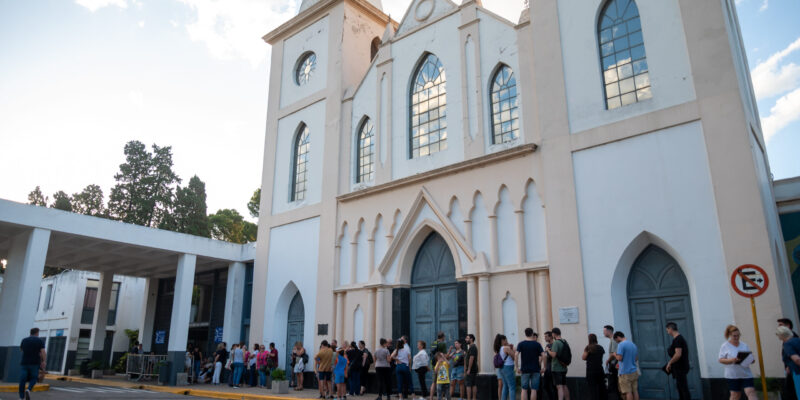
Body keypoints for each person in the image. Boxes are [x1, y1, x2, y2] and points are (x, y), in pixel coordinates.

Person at [719, 325, 757, 400]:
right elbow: (721, 360)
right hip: (732, 375)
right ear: (730, 335)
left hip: (745, 374)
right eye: (734, 336)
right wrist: (732, 360)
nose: (737, 337)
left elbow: (751, 358)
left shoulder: (744, 345)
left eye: (738, 335)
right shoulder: (725, 346)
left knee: (751, 391)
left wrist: (751, 360)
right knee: (735, 395)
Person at [517, 328, 545, 400]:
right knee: (534, 389)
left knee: (524, 389)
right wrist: (544, 367)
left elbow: (516, 354)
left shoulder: (521, 344)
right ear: (532, 334)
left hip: (525, 369)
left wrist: (517, 367)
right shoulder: (537, 344)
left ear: (525, 334)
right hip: (535, 369)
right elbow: (544, 355)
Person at [18, 327, 46, 400]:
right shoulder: (39, 341)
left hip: (24, 362)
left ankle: (21, 397)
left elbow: (21, 349)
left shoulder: (24, 340)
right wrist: (43, 361)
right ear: (36, 333)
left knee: (22, 379)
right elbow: (43, 351)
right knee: (34, 378)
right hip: (34, 363)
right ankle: (29, 389)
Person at [665, 322, 690, 400]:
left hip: (680, 367)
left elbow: (678, 354)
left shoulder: (678, 339)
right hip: (680, 367)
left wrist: (670, 362)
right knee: (680, 387)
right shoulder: (678, 339)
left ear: (670, 329)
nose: (667, 332)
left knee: (683, 388)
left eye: (667, 330)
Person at [547, 328, 571, 400]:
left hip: (557, 368)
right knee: (564, 386)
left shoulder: (556, 342)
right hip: (564, 367)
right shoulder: (564, 341)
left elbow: (553, 355)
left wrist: (548, 350)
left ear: (554, 334)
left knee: (559, 387)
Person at [614, 332, 638, 400]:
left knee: (628, 392)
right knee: (635, 391)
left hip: (625, 372)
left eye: (616, 340)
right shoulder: (633, 344)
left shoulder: (621, 345)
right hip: (634, 371)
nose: (616, 342)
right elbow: (636, 359)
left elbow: (619, 358)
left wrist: (615, 355)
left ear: (618, 337)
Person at [779, 319, 799, 400]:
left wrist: (788, 366)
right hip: (792, 369)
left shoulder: (789, 341)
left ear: (788, 326)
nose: (778, 327)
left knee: (791, 392)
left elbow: (796, 358)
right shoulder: (794, 339)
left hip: (795, 370)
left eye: (781, 325)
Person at [582, 334, 606, 400]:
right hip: (600, 370)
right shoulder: (600, 347)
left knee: (592, 389)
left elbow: (583, 357)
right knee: (601, 387)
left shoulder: (588, 348)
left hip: (590, 371)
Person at [494, 334, 516, 400]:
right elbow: (514, 356)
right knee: (512, 387)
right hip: (508, 367)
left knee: (505, 386)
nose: (507, 341)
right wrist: (512, 349)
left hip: (502, 368)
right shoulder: (506, 348)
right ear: (503, 340)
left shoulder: (499, 348)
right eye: (505, 339)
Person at [603, 325, 619, 400]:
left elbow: (613, 353)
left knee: (613, 385)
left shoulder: (613, 340)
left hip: (613, 365)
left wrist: (608, 360)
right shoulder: (613, 340)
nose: (603, 332)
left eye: (604, 331)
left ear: (608, 331)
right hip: (614, 365)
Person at [541, 331, 556, 400]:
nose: (545, 338)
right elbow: (545, 356)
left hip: (553, 368)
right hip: (547, 368)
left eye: (546, 336)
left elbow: (552, 356)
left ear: (550, 336)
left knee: (553, 386)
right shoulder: (547, 346)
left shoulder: (554, 345)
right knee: (545, 385)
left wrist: (547, 351)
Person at [464, 334, 478, 400]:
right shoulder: (472, 347)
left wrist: (468, 369)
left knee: (469, 385)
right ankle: (474, 398)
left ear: (471, 339)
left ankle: (469, 398)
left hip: (471, 369)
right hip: (474, 369)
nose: (465, 339)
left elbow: (471, 358)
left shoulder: (472, 347)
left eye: (467, 338)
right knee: (473, 384)